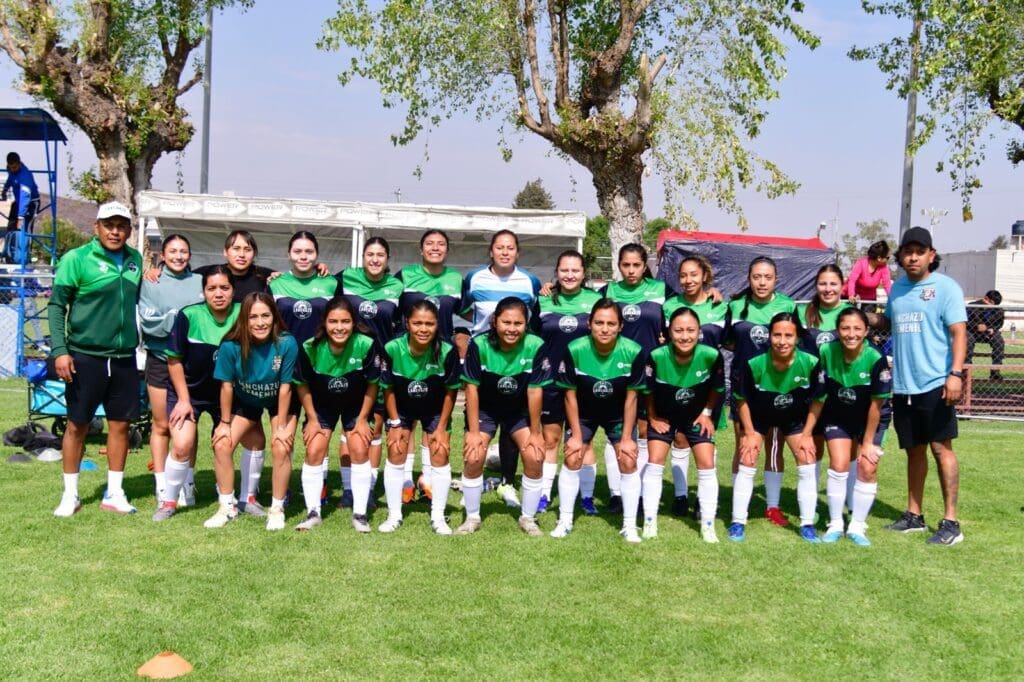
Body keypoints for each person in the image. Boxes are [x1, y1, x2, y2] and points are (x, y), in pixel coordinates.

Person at [48, 201, 144, 517]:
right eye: (109, 225)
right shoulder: (76, 259)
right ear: (97, 227)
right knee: (77, 425)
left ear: (128, 230)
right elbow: (56, 306)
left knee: (121, 426)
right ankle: (70, 495)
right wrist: (60, 351)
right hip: (85, 356)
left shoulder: (135, 260)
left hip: (124, 358)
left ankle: (114, 493)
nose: (115, 231)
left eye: (121, 226)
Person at [876, 226, 967, 546]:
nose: (913, 257)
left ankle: (951, 522)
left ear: (931, 255)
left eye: (919, 252)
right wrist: (865, 319)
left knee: (941, 448)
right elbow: (889, 322)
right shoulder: (898, 289)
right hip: (904, 386)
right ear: (900, 256)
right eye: (908, 252)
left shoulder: (946, 288)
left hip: (936, 383)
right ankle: (914, 515)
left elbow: (959, 333)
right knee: (914, 451)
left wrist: (955, 374)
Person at [554, 299, 646, 543]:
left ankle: (629, 526)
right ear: (589, 324)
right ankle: (565, 520)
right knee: (573, 456)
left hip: (617, 415)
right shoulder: (575, 348)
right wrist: (576, 436)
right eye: (599, 323)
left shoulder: (633, 351)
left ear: (620, 326)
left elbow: (632, 398)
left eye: (611, 324)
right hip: (584, 413)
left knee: (628, 459)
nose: (605, 329)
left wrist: (626, 439)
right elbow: (569, 395)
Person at [461, 229, 542, 509]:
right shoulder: (474, 278)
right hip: (485, 358)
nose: (505, 252)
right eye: (499, 247)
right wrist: (476, 336)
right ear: (491, 251)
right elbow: (464, 310)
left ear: (518, 252)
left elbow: (536, 314)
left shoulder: (530, 281)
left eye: (510, 248)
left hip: (516, 361)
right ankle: (473, 492)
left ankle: (507, 483)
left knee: (514, 434)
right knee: (475, 444)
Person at [152, 266, 240, 520]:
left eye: (224, 288)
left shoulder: (243, 314)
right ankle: (169, 501)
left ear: (233, 290)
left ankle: (231, 495)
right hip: (189, 392)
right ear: (204, 292)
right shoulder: (189, 315)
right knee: (182, 445)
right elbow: (174, 360)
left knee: (225, 444)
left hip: (227, 394)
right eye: (212, 288)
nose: (218, 294)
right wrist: (183, 400)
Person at [206, 292, 299, 530]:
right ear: (244, 319)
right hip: (247, 398)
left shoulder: (286, 342)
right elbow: (226, 386)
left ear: (274, 317)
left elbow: (286, 388)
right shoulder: (231, 345)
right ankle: (227, 507)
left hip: (280, 399)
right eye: (253, 317)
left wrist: (281, 427)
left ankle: (277, 509)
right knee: (221, 443)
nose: (260, 322)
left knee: (281, 446)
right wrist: (224, 423)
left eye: (265, 316)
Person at [458, 297, 549, 536]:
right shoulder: (479, 344)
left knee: (535, 456)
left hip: (517, 412)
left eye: (518, 323)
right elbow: (471, 389)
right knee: (474, 456)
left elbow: (535, 390)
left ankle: (528, 518)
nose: (512, 328)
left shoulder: (536, 345)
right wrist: (474, 433)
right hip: (485, 410)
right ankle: (472, 517)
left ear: (526, 324)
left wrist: (536, 433)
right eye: (506, 322)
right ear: (495, 322)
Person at [730, 311, 822, 543]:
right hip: (758, 417)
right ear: (769, 336)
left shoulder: (810, 362)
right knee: (748, 457)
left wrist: (807, 434)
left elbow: (818, 400)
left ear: (797, 338)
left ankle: (807, 524)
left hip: (793, 419)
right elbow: (741, 399)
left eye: (788, 336)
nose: (782, 341)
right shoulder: (755, 362)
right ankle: (738, 521)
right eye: (777, 335)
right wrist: (749, 433)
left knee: (807, 458)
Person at [802, 307, 891, 545]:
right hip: (837, 415)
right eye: (845, 328)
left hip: (870, 418)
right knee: (839, 464)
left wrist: (867, 443)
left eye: (857, 329)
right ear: (837, 330)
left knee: (867, 467)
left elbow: (876, 405)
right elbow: (819, 397)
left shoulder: (875, 357)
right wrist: (807, 432)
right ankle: (835, 523)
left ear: (866, 331)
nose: (851, 334)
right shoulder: (826, 351)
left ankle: (857, 526)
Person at [294, 297, 380, 532]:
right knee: (314, 449)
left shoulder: (365, 344)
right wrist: (312, 419)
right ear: (324, 322)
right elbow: (302, 384)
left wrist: (362, 419)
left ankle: (360, 514)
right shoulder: (310, 347)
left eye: (345, 321)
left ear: (353, 323)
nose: (339, 327)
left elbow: (373, 384)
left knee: (359, 448)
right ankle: (313, 513)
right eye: (333, 321)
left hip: (356, 404)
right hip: (322, 405)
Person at [723, 256, 796, 527]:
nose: (762, 282)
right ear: (749, 278)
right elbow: (729, 342)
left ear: (776, 279)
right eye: (757, 277)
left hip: (776, 388)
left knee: (774, 446)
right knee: (744, 444)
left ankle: (772, 506)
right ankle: (737, 505)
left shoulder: (787, 305)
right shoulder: (735, 305)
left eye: (767, 277)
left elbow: (795, 342)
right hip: (744, 388)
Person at [378, 300, 461, 534]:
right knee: (396, 450)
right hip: (401, 409)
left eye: (429, 324)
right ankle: (394, 515)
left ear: (437, 325)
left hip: (434, 410)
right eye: (417, 323)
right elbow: (388, 388)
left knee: (440, 452)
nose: (423, 329)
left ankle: (438, 517)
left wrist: (441, 427)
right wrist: (395, 423)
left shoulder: (447, 350)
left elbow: (451, 391)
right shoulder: (392, 348)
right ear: (407, 323)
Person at [396, 229, 467, 501]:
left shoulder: (456, 279)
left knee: (432, 417)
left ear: (447, 250)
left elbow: (468, 313)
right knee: (408, 418)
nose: (435, 248)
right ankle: (405, 479)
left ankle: (426, 479)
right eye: (429, 243)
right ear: (421, 248)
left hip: (440, 357)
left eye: (441, 244)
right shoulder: (404, 276)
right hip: (409, 355)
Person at [645, 307, 725, 542]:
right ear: (669, 332)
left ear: (699, 332)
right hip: (664, 417)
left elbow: (717, 388)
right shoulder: (656, 356)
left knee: (707, 462)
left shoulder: (711, 355)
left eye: (691, 330)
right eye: (678, 330)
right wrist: (653, 417)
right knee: (654, 460)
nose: (685, 336)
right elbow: (647, 392)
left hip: (695, 417)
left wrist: (707, 413)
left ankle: (708, 524)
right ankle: (649, 521)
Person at [600, 243, 666, 515]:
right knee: (616, 432)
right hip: (615, 371)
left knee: (643, 431)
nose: (630, 270)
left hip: (650, 371)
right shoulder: (608, 291)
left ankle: (637, 490)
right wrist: (551, 287)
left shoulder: (661, 290)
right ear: (619, 265)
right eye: (625, 265)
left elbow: (686, 307)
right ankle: (616, 493)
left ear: (644, 265)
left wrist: (712, 292)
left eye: (636, 265)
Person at [337, 236, 403, 507]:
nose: (375, 259)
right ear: (362, 257)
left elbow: (403, 323)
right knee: (349, 427)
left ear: (387, 260)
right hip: (350, 362)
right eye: (370, 254)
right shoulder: (345, 278)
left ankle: (370, 489)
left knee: (374, 428)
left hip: (382, 364)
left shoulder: (397, 286)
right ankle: (347, 490)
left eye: (380, 255)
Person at [138, 234, 203, 506]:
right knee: (162, 424)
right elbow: (148, 322)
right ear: (162, 256)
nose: (179, 256)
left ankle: (188, 481)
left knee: (189, 422)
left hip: (191, 363)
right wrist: (180, 319)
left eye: (183, 251)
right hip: (160, 360)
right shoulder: (151, 281)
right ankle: (162, 483)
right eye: (173, 251)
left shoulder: (199, 281)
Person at [536, 250, 602, 515]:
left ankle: (586, 497)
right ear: (557, 272)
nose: (570, 275)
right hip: (551, 380)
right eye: (564, 270)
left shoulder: (596, 300)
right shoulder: (543, 300)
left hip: (583, 381)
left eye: (575, 270)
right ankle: (543, 494)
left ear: (584, 273)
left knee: (583, 440)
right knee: (550, 440)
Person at [662, 254, 727, 516]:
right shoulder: (669, 306)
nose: (688, 280)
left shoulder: (720, 306)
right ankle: (680, 496)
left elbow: (729, 341)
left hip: (708, 385)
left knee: (705, 437)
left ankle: (703, 497)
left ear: (704, 276)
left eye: (693, 274)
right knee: (679, 437)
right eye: (683, 275)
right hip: (676, 383)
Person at [966, 289, 1004, 381]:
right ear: (986, 299)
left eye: (995, 305)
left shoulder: (998, 310)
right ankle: (966, 371)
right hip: (972, 332)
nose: (993, 306)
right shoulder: (971, 306)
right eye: (991, 303)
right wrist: (976, 326)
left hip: (988, 333)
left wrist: (993, 328)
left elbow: (999, 323)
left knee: (999, 341)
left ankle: (995, 372)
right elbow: (965, 321)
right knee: (968, 340)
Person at [2, 152, 40, 231]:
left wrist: (20, 217)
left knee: (25, 228)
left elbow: (25, 197)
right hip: (18, 202)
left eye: (14, 167)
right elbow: (10, 179)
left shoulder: (25, 176)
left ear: (19, 163)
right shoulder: (11, 171)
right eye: (11, 168)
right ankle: (11, 237)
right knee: (11, 226)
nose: (13, 170)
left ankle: (26, 238)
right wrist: (5, 190)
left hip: (31, 203)